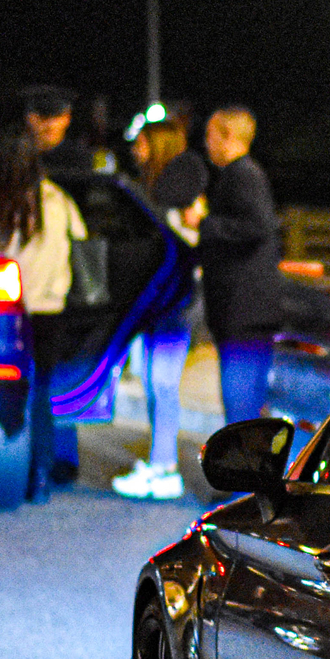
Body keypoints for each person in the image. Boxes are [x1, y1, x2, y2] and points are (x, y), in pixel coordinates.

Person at [0, 126, 88, 498]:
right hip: (50, 311)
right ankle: (40, 475)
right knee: (41, 393)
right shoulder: (59, 202)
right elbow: (82, 243)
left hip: (5, 312)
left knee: (6, 390)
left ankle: (6, 466)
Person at [112, 110, 208, 501]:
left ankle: (164, 467)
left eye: (142, 143)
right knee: (155, 382)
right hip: (159, 299)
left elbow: (195, 238)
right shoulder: (152, 191)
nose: (136, 150)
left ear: (158, 146)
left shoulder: (184, 196)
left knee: (163, 383)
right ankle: (158, 461)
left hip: (177, 301)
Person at [197, 106, 281, 428]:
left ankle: (243, 476)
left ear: (227, 136)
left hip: (243, 313)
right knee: (243, 408)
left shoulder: (243, 175)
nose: (206, 144)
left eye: (210, 135)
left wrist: (205, 224)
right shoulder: (243, 174)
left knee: (240, 412)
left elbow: (259, 225)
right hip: (247, 313)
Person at [21, 85, 96, 174]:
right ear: (29, 118)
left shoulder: (79, 158)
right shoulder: (15, 157)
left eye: (56, 117)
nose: (50, 125)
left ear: (67, 119)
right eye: (43, 118)